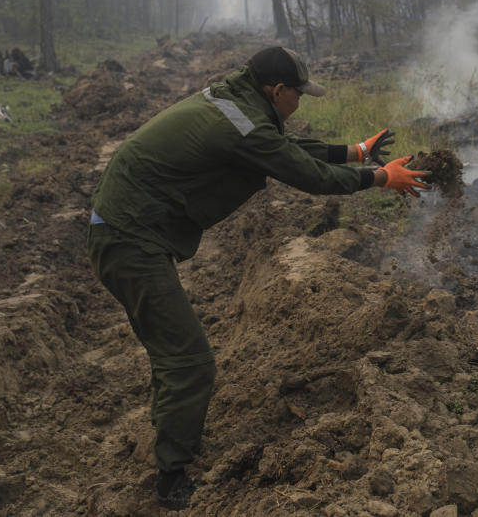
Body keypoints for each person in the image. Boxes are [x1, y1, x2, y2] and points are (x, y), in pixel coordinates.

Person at [87, 46, 428, 509]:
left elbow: (277, 146)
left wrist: (358, 151)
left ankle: (171, 434)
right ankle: (171, 479)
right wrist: (378, 178)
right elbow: (302, 172)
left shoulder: (238, 105)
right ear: (278, 90)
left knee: (176, 354)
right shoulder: (242, 122)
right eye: (299, 95)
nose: (301, 103)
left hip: (129, 227)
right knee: (189, 360)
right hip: (128, 238)